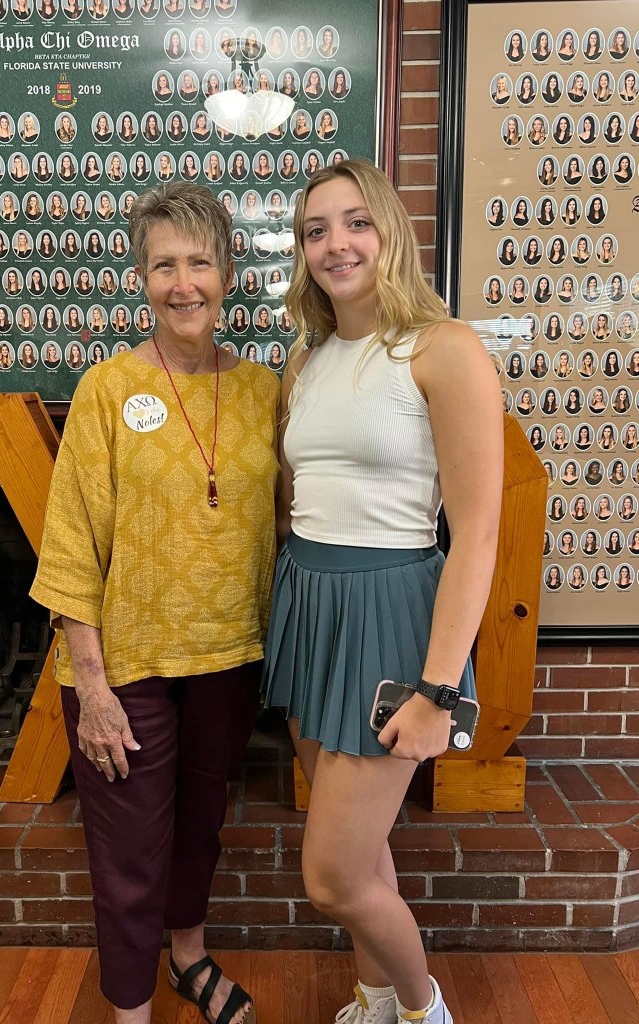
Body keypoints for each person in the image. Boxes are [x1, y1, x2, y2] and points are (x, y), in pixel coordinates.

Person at [30, 182, 280, 1024]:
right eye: (163, 265)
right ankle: (130, 1010)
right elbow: (71, 542)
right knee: (130, 850)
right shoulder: (106, 389)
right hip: (124, 663)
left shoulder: (264, 391)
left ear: (228, 274)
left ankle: (189, 957)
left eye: (198, 263)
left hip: (230, 655)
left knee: (201, 824)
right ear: (141, 279)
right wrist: (92, 685)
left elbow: (285, 515)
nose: (183, 284)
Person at [261, 159, 502, 1024]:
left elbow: (476, 533)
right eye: (315, 230)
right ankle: (374, 1002)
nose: (337, 243)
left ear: (390, 231)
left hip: (389, 617)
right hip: (311, 606)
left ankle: (424, 1011)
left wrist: (438, 691)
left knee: (330, 878)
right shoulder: (308, 358)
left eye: (356, 221)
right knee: (361, 858)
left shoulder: (445, 348)